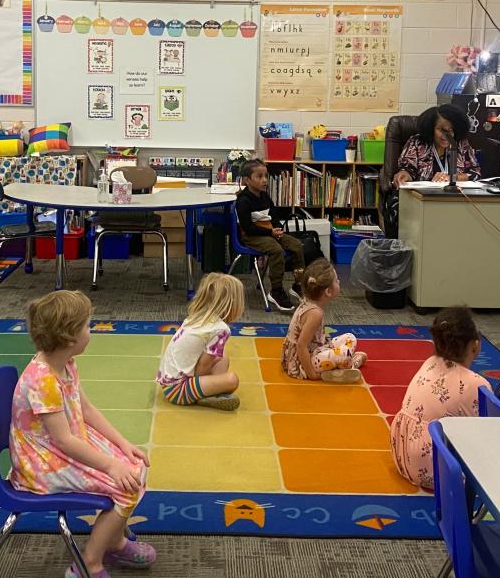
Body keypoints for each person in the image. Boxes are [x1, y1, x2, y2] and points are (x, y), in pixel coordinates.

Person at [10, 290, 154, 578]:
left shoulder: (66, 363)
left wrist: (122, 444)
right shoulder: (43, 380)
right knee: (125, 485)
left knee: (135, 468)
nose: (92, 330)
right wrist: (111, 466)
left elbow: (86, 411)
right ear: (68, 336)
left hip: (63, 447)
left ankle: (113, 540)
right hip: (41, 464)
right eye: (88, 326)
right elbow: (63, 440)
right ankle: (88, 564)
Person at [390, 307, 487, 490]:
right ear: (475, 345)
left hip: (401, 451)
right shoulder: (476, 383)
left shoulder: (429, 363)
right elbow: (485, 432)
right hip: (430, 465)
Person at [156, 273, 244, 411]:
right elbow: (203, 367)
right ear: (231, 304)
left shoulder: (196, 318)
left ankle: (210, 393)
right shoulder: (220, 329)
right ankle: (207, 395)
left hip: (169, 384)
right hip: (178, 391)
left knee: (223, 357)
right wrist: (207, 383)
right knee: (232, 380)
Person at [281, 259, 367, 382]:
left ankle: (344, 362)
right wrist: (311, 373)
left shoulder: (310, 301)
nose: (339, 282)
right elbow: (301, 345)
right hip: (302, 361)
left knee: (350, 337)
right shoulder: (315, 314)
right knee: (343, 354)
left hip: (315, 349)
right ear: (328, 291)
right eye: (336, 280)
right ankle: (349, 366)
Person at [235, 159, 304, 310]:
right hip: (252, 236)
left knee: (297, 245)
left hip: (270, 233)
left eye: (266, 176)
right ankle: (276, 291)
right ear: (247, 180)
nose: (264, 180)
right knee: (276, 250)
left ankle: (298, 285)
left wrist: (278, 230)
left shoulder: (265, 197)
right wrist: (270, 232)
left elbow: (274, 217)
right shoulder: (243, 201)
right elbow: (247, 227)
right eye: (259, 177)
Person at [392, 104, 480, 185]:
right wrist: (404, 175)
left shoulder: (462, 144)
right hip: (422, 198)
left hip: (456, 198)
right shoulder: (417, 143)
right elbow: (408, 169)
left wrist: (452, 178)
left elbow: (475, 173)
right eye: (441, 129)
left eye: (451, 130)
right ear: (431, 128)